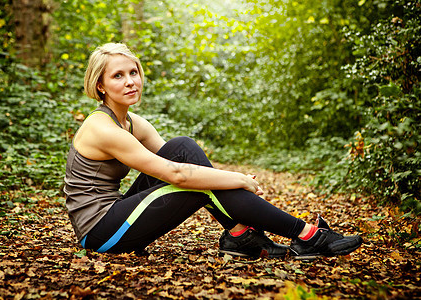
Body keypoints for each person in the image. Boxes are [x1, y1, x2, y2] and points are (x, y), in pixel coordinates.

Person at [64, 43, 363, 260]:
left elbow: (181, 157)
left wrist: (224, 177)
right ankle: (307, 234)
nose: (130, 81)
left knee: (183, 145)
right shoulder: (102, 128)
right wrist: (238, 178)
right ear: (100, 85)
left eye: (134, 72)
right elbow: (175, 173)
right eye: (118, 76)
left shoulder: (132, 122)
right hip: (101, 232)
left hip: (117, 215)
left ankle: (240, 236)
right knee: (201, 185)